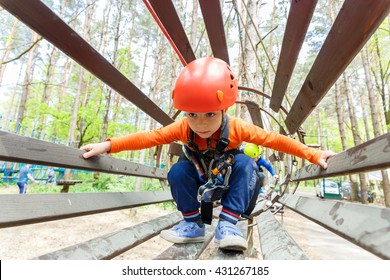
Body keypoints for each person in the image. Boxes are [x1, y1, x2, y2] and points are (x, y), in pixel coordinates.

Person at [81, 57, 336, 251]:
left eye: (210, 114)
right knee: (178, 170)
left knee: (247, 164)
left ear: (224, 108)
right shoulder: (183, 127)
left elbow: (276, 140)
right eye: (192, 114)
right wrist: (108, 145)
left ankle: (227, 225)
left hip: (228, 185)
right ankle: (192, 224)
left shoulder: (237, 128)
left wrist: (312, 155)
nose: (200, 124)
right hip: (202, 181)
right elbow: (149, 137)